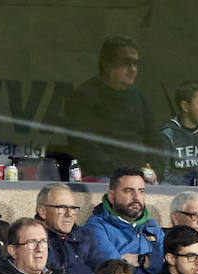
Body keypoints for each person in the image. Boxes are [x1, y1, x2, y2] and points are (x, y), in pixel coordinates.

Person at [64, 35, 155, 178]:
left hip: (140, 176)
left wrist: (155, 169)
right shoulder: (84, 96)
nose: (132, 69)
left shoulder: (138, 96)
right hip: (103, 177)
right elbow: (84, 145)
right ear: (107, 64)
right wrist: (118, 174)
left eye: (135, 63)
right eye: (126, 63)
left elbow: (155, 138)